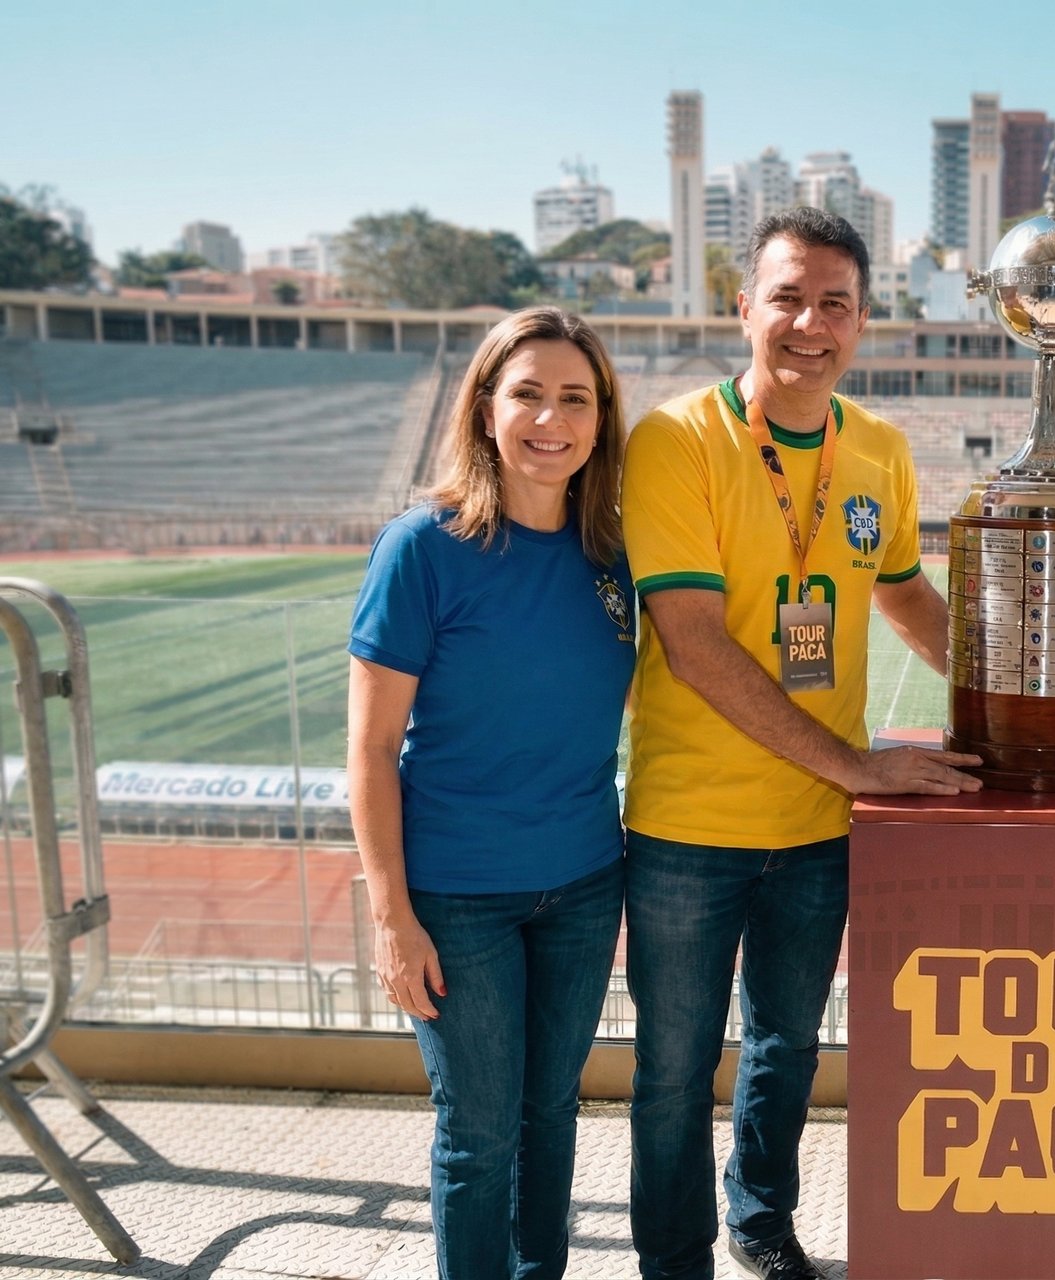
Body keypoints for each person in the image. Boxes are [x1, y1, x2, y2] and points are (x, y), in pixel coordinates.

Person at [621, 207, 981, 1280]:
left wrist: (1016, 704)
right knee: (675, 1069)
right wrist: (860, 768)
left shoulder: (878, 448)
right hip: (690, 827)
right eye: (787, 298)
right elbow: (693, 645)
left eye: (834, 303)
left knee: (787, 1047)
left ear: (862, 321)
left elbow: (906, 596)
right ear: (745, 309)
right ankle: (673, 1260)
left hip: (818, 826)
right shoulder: (676, 440)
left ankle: (762, 1225)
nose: (809, 323)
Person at [346, 307, 632, 1279]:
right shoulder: (422, 548)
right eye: (528, 393)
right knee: (479, 1131)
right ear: (484, 408)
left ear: (600, 419)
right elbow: (371, 750)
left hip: (585, 884)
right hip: (456, 897)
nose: (552, 418)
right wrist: (392, 917)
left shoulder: (612, 555)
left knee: (550, 1112)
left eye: (575, 398)